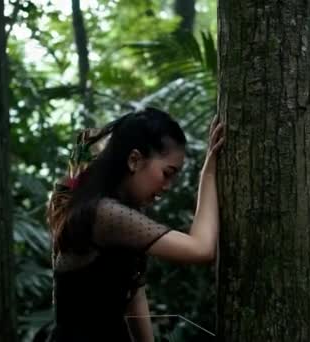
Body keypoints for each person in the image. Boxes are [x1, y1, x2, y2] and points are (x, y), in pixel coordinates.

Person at [45, 107, 225, 341]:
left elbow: (133, 295)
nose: (168, 186)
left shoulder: (115, 210)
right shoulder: (106, 213)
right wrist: (209, 174)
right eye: (167, 173)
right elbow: (201, 249)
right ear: (134, 160)